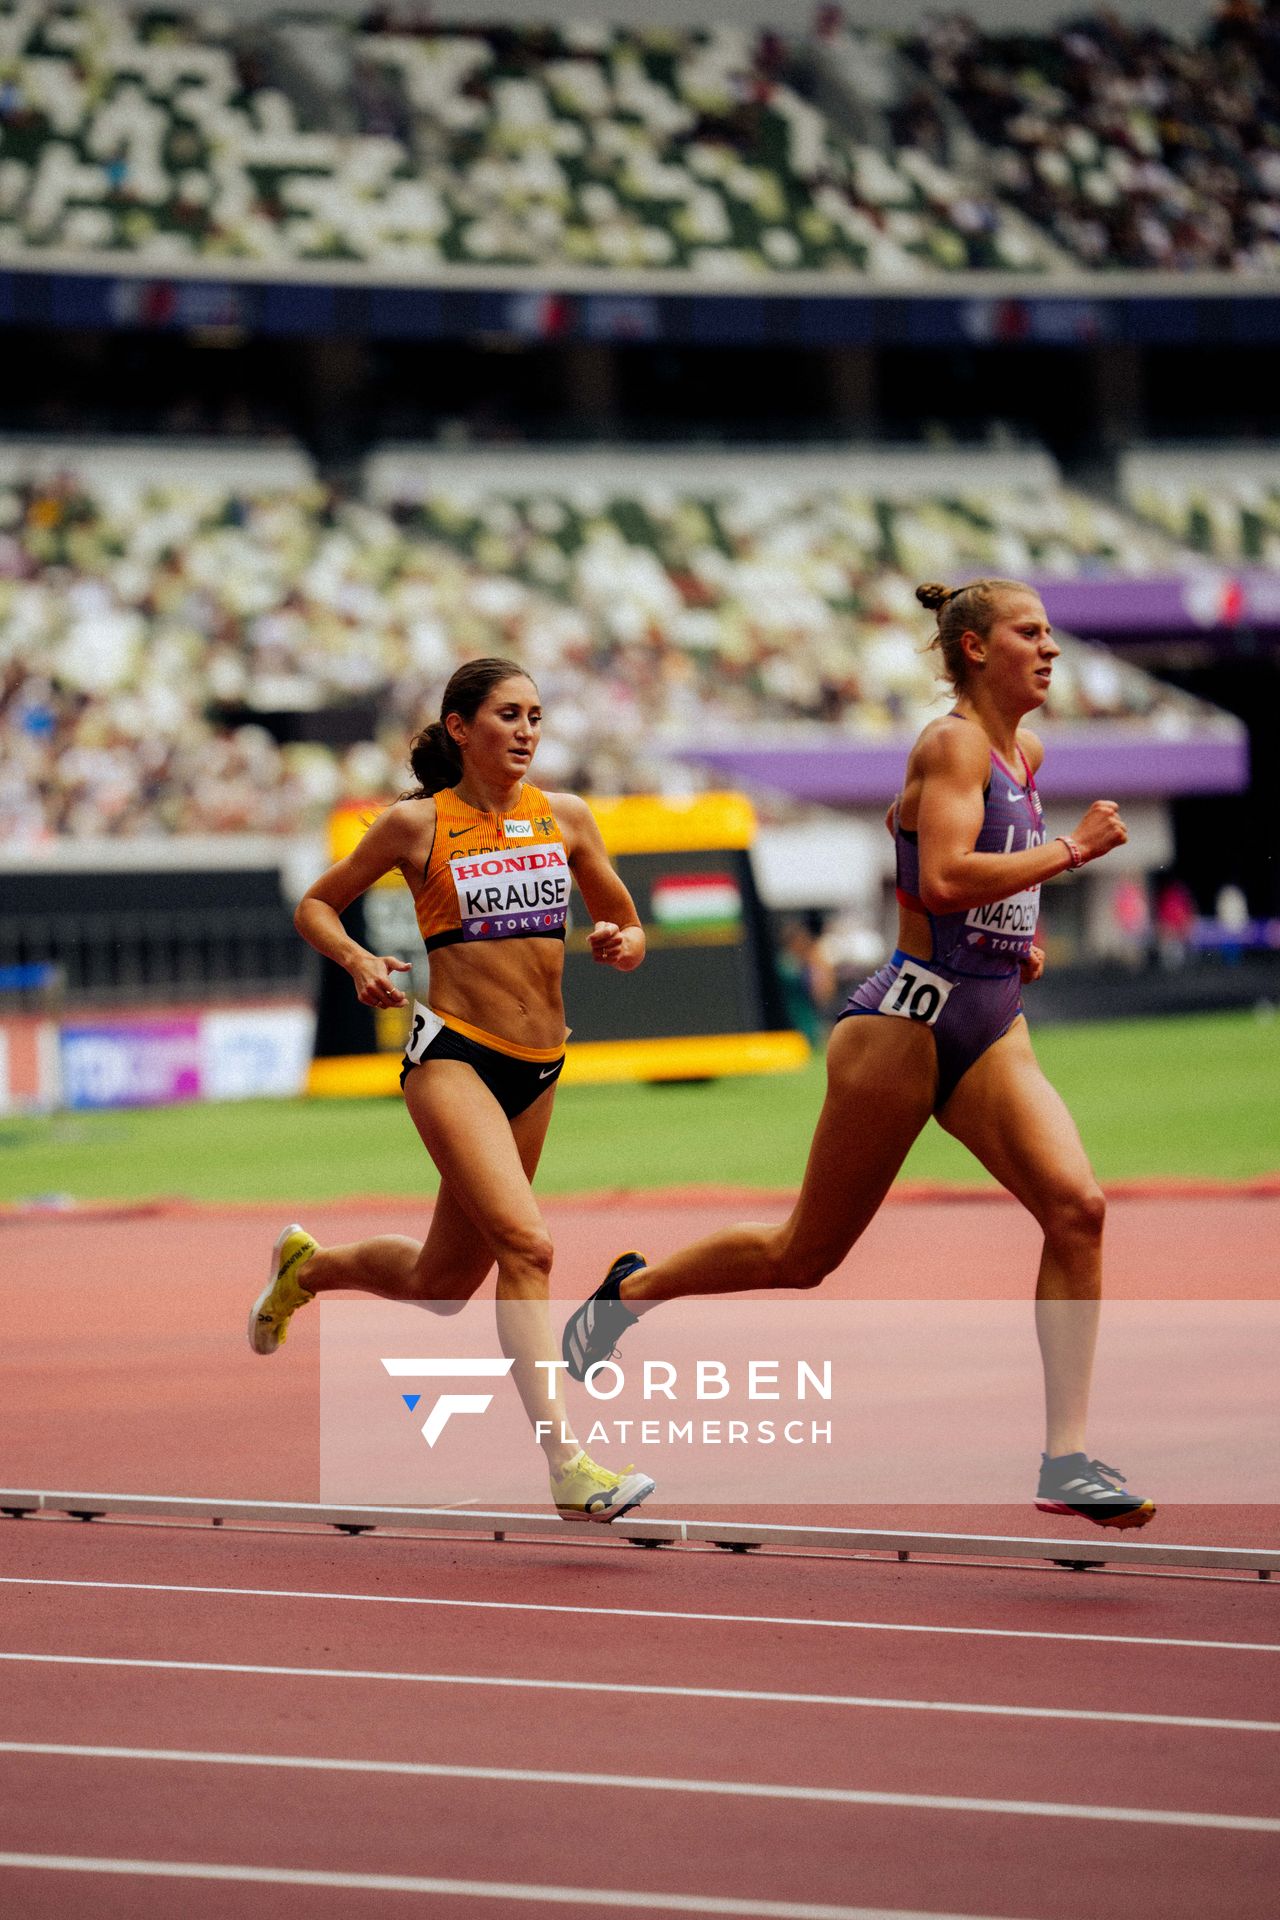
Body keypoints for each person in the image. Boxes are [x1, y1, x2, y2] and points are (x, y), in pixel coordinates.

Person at [563, 579, 1155, 1531]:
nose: (1050, 649)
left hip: (992, 1021)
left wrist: (1011, 939)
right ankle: (628, 1295)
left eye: (1052, 634)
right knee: (804, 1255)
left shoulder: (1021, 751)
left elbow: (924, 852)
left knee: (1078, 1210)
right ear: (973, 649)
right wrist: (1069, 853)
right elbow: (949, 871)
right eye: (1029, 634)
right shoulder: (952, 742)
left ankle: (1068, 1457)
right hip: (904, 1030)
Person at [249, 657, 656, 1524]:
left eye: (537, 716)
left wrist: (625, 942)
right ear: (463, 729)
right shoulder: (416, 824)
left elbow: (624, 918)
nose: (527, 731)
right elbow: (317, 906)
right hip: (453, 1057)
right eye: (509, 715)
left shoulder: (568, 817)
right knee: (530, 1248)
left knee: (441, 1284)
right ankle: (569, 1466)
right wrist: (358, 958)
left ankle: (306, 1268)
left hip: (541, 1064)